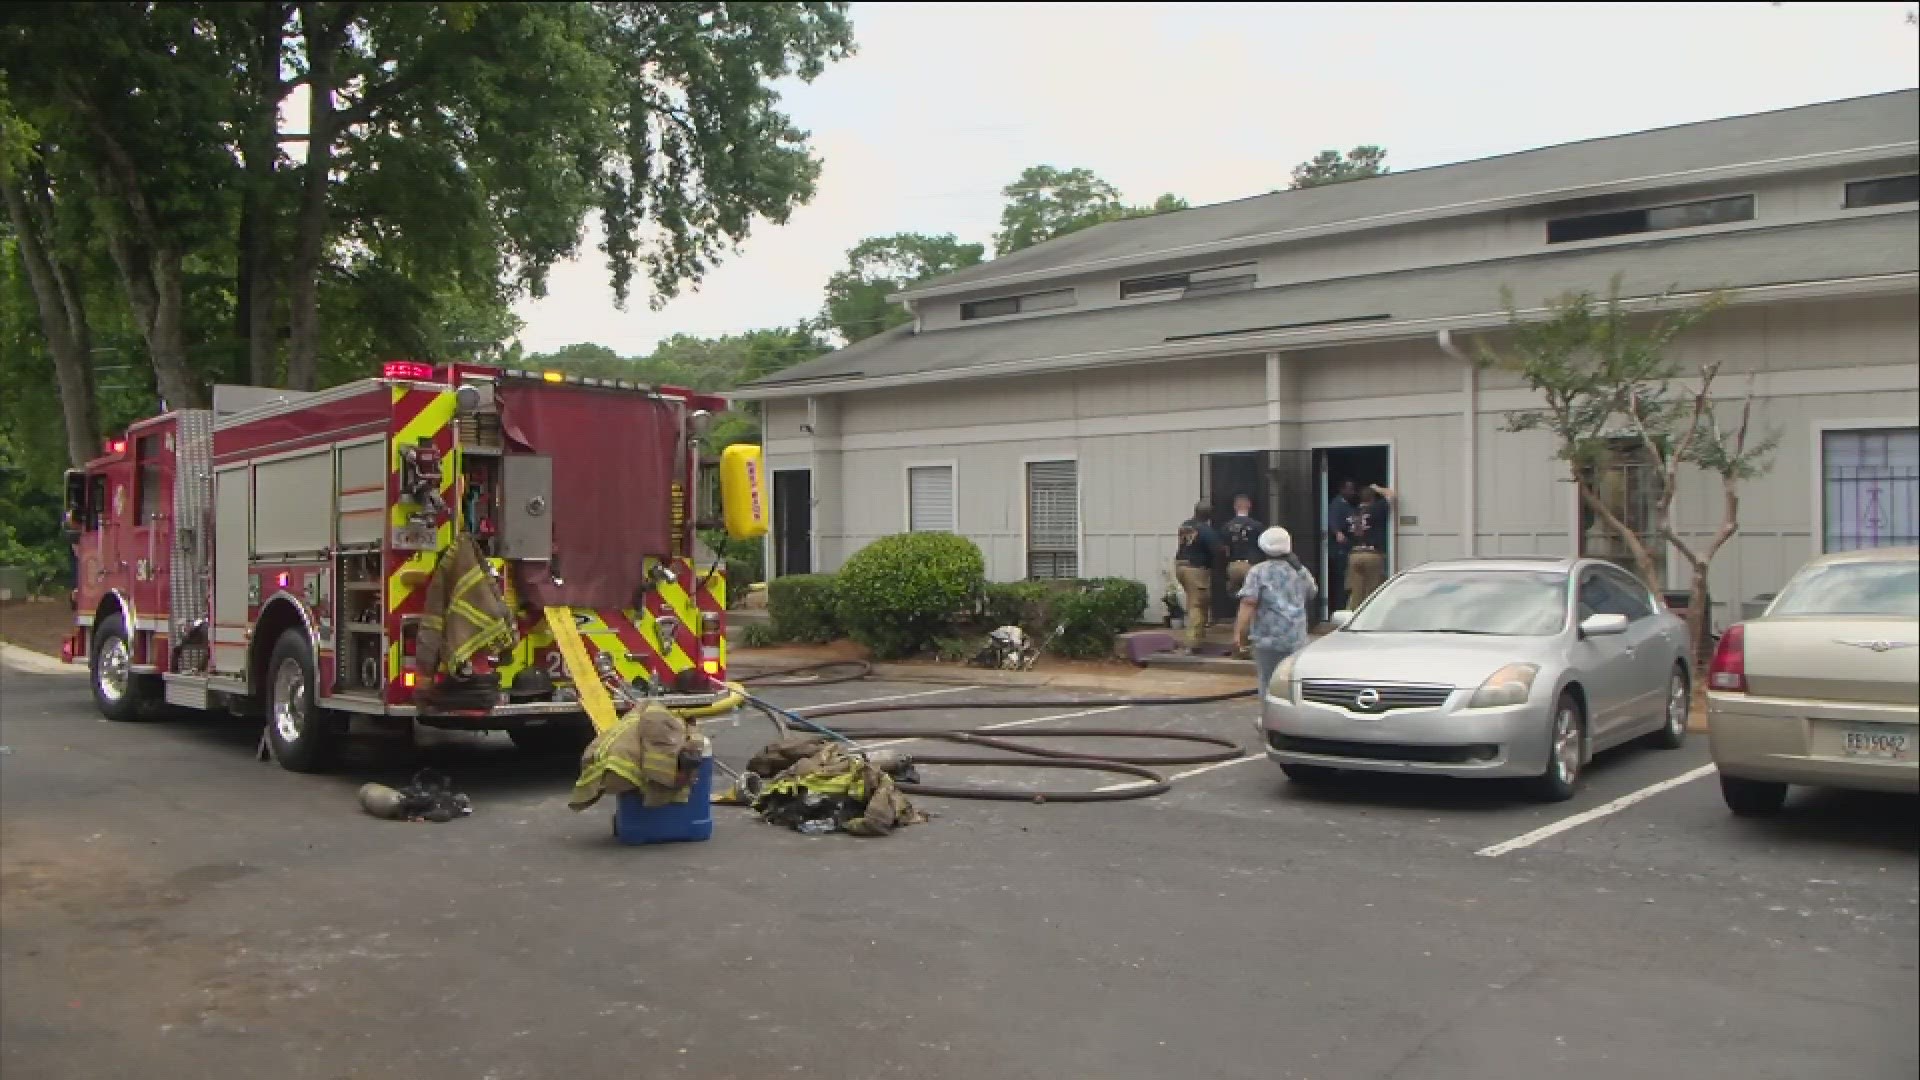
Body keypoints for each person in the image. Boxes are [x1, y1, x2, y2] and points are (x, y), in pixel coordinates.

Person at [1234, 526, 1317, 693]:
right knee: (1293, 682)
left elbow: (1248, 603)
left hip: (1267, 638)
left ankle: (1268, 716)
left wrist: (1239, 634)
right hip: (1296, 636)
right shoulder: (1300, 571)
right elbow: (1312, 592)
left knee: (1268, 680)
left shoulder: (1257, 572)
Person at [1174, 500, 1226, 652]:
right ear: (1209, 515)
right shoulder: (1206, 530)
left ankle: (1198, 635)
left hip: (1180, 566)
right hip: (1195, 569)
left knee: (1194, 601)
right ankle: (1192, 644)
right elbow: (1217, 549)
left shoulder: (1185, 525)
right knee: (1197, 605)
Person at [1345, 482, 1395, 609]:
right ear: (1373, 498)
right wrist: (1377, 488)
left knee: (1356, 591)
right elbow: (1391, 494)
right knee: (1372, 591)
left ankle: (1352, 615)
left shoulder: (1352, 513)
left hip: (1354, 555)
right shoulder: (1376, 509)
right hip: (1371, 555)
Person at [1325, 479, 1358, 620]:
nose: (1352, 492)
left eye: (1353, 489)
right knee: (1341, 581)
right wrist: (1337, 532)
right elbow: (1332, 520)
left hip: (1348, 549)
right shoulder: (1337, 505)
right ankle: (1339, 609)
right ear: (1342, 489)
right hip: (1339, 551)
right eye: (1349, 489)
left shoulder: (1348, 506)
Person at [1222, 493, 1265, 596]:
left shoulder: (1226, 527)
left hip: (1233, 565)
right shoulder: (1257, 526)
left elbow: (1224, 548)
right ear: (1249, 505)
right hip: (1251, 565)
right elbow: (1263, 546)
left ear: (1235, 506)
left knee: (1234, 595)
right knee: (1252, 596)